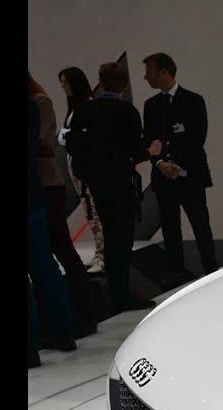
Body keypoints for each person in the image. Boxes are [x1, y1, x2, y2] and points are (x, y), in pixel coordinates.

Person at [67, 62, 154, 314]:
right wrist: (151, 151)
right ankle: (121, 293)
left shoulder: (84, 111)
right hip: (120, 184)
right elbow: (135, 150)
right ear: (124, 86)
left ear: (101, 83)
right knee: (122, 239)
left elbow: (74, 148)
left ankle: (116, 291)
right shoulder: (127, 112)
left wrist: (88, 176)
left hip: (98, 185)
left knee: (111, 236)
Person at [142, 52, 218, 289]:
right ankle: (176, 273)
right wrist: (160, 164)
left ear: (164, 72)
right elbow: (149, 141)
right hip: (163, 176)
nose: (146, 77)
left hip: (190, 175)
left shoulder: (194, 101)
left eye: (149, 72)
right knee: (170, 227)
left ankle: (212, 270)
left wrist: (173, 161)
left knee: (200, 224)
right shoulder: (151, 106)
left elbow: (197, 138)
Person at [30, 71, 96, 338]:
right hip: (38, 185)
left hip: (47, 185)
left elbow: (43, 142)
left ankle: (84, 312)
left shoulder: (40, 101)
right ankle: (55, 318)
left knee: (60, 248)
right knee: (44, 255)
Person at [29, 95, 75, 367]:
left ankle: (30, 349)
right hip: (34, 197)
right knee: (46, 268)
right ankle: (63, 332)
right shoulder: (32, 106)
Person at [57, 66, 107, 276]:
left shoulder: (87, 107)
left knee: (94, 210)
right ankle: (100, 253)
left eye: (66, 82)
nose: (63, 86)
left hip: (86, 168)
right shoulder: (76, 107)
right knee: (89, 209)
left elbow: (83, 138)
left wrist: (68, 136)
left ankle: (103, 255)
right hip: (77, 167)